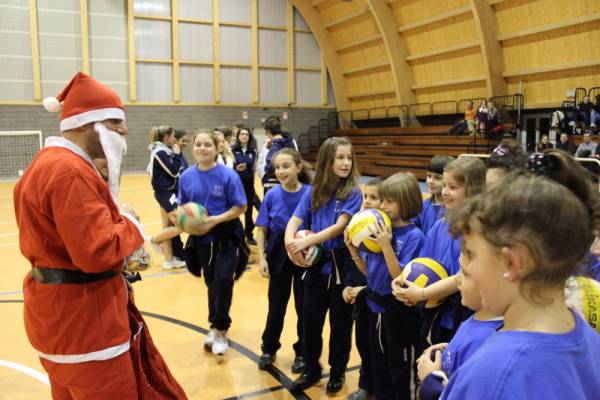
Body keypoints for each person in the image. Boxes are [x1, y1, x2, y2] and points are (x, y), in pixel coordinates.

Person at [14, 72, 186, 399]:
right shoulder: (69, 171)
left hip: (55, 320)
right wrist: (129, 224)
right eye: (113, 121)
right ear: (85, 123)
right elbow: (96, 253)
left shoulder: (44, 164)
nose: (123, 130)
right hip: (86, 325)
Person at [440, 150, 600, 399]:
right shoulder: (590, 339)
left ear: (511, 263)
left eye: (471, 254)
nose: (466, 269)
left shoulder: (491, 375)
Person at [285, 137, 363, 394]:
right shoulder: (313, 190)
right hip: (315, 265)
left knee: (340, 324)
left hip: (341, 263)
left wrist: (307, 241)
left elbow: (339, 227)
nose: (345, 163)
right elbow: (296, 219)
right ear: (327, 160)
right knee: (309, 319)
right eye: (340, 158)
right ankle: (311, 368)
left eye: (349, 158)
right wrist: (289, 242)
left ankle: (337, 370)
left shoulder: (352, 192)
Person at [346, 173, 426, 400]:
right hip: (374, 310)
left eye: (389, 201)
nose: (383, 206)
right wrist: (353, 251)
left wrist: (386, 247)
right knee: (379, 366)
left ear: (406, 202)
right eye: (383, 200)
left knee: (400, 370)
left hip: (399, 314)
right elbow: (369, 273)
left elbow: (400, 278)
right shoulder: (378, 228)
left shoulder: (413, 236)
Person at [392, 157, 487, 344]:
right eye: (445, 186)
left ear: (473, 191)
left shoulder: (478, 231)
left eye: (452, 187)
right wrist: (405, 281)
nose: (444, 192)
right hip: (436, 314)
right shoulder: (440, 224)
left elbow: (461, 277)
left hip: (464, 315)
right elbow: (422, 262)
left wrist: (422, 294)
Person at [179, 129, 248, 356]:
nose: (202, 148)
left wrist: (214, 221)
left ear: (217, 148)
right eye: (198, 144)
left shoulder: (228, 176)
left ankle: (220, 329)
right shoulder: (187, 176)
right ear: (193, 148)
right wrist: (186, 222)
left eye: (207, 144)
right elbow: (182, 208)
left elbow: (241, 207)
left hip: (226, 237)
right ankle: (215, 324)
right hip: (201, 240)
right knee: (212, 283)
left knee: (223, 280)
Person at [417, 249, 503, 400]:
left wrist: (431, 378)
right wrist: (452, 347)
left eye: (464, 273)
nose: (456, 280)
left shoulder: (484, 342)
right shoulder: (478, 319)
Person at [255, 148, 311, 374]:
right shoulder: (271, 195)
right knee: (276, 305)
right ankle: (269, 348)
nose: (280, 171)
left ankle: (303, 352)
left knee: (303, 307)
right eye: (277, 167)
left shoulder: (310, 193)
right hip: (278, 253)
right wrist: (261, 258)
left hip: (304, 253)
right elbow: (262, 230)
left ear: (298, 167)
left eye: (286, 166)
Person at [344, 177, 383, 400]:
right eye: (365, 196)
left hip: (378, 300)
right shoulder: (357, 226)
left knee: (379, 348)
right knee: (362, 342)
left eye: (374, 198)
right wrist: (348, 285)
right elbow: (351, 261)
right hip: (362, 302)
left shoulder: (386, 234)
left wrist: (363, 290)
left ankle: (378, 386)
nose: (367, 201)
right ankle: (365, 383)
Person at [147, 125, 186, 269]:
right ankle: (154, 240)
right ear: (167, 137)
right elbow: (173, 171)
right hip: (165, 192)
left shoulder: (164, 150)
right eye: (173, 135)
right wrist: (177, 154)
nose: (175, 138)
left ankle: (169, 260)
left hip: (170, 191)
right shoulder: (160, 152)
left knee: (167, 225)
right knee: (182, 224)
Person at [413, 156, 454, 235]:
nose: (430, 181)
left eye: (437, 178)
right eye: (429, 176)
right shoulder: (421, 205)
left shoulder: (451, 211)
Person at [231, 126, 258, 245]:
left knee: (248, 212)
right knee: (234, 210)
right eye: (242, 134)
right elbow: (229, 167)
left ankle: (249, 235)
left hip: (249, 186)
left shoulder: (253, 151)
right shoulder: (232, 150)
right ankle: (235, 234)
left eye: (247, 134)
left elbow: (254, 168)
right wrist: (236, 168)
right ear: (238, 136)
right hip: (235, 186)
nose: (244, 136)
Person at [262, 117, 297, 193]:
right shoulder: (290, 143)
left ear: (268, 131)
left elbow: (271, 166)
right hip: (290, 181)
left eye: (266, 133)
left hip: (275, 183)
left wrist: (264, 177)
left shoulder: (275, 146)